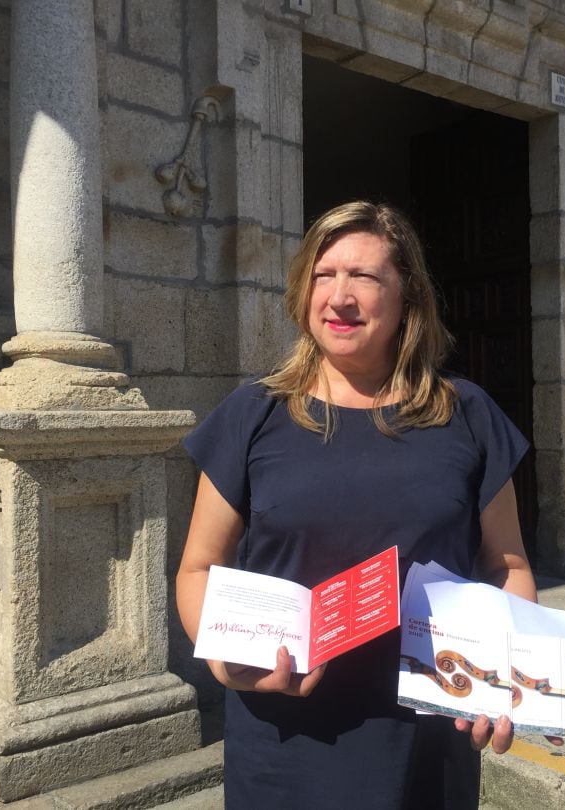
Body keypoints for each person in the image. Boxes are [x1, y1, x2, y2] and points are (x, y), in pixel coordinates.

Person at [176, 201, 545, 810]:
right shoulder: (252, 414)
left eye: (365, 277)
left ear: (408, 297)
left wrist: (500, 681)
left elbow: (507, 565)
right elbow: (198, 569)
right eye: (324, 276)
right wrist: (222, 660)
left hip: (427, 741)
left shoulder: (468, 413)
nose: (339, 297)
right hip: (282, 740)